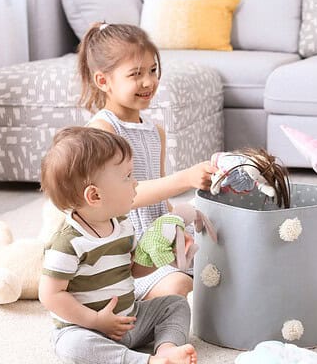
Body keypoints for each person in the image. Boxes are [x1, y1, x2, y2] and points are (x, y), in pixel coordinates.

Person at [77, 22, 217, 300]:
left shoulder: (156, 132)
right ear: (103, 81)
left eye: (153, 71)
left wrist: (178, 227)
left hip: (157, 240)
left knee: (220, 263)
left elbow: (159, 202)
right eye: (135, 74)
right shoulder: (102, 131)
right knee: (180, 286)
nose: (148, 82)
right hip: (126, 255)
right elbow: (119, 198)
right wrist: (185, 179)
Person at [38, 126, 197, 364]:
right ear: (95, 196)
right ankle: (142, 361)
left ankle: (166, 349)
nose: (135, 184)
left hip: (129, 319)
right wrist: (95, 321)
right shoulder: (67, 243)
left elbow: (134, 269)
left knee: (175, 305)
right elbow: (50, 295)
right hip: (87, 328)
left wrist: (162, 254)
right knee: (71, 346)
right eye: (127, 177)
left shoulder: (122, 224)